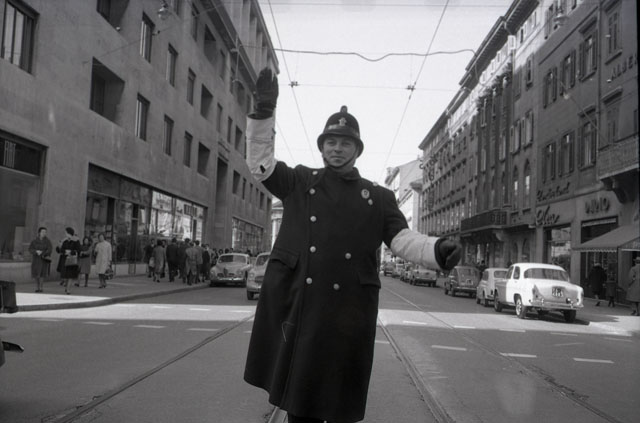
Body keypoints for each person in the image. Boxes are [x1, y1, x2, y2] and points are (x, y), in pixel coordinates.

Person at [243, 68, 461, 423]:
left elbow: (401, 239)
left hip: (348, 315)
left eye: (345, 143)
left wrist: (437, 250)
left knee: (340, 404)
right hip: (304, 309)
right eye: (331, 142)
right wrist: (264, 113)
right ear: (322, 147)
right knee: (301, 405)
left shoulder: (378, 197)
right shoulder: (300, 181)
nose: (337, 149)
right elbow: (261, 166)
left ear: (357, 150)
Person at [56, 227, 81, 295]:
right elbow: (60, 250)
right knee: (65, 275)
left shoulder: (76, 240)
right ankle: (66, 286)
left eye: (66, 232)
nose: (65, 234)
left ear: (69, 233)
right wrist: (64, 251)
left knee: (70, 275)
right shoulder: (64, 240)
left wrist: (71, 252)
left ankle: (68, 289)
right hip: (65, 259)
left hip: (72, 260)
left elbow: (79, 250)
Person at [28, 227, 53, 293]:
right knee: (36, 273)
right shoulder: (34, 241)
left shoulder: (47, 241)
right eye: (43, 232)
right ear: (39, 232)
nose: (44, 233)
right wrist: (36, 251)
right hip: (36, 259)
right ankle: (37, 287)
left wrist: (44, 252)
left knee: (42, 274)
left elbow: (50, 249)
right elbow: (30, 249)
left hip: (43, 259)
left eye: (45, 232)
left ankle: (41, 287)